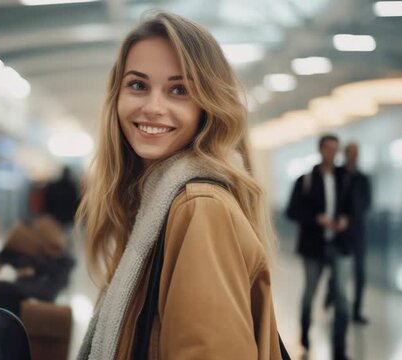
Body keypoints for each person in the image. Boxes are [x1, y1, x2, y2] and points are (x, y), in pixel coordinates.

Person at [76, 12, 283, 360]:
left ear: (208, 105)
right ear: (117, 96)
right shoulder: (150, 204)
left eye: (179, 90)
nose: (153, 107)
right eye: (138, 85)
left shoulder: (200, 207)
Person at [286, 134, 352, 360]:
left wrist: (344, 219)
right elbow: (292, 211)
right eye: (328, 148)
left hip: (339, 245)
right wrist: (317, 218)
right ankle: (304, 337)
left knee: (342, 297)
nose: (332, 153)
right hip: (313, 245)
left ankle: (340, 348)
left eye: (336, 148)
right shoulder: (306, 180)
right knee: (310, 293)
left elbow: (353, 207)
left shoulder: (345, 178)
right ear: (320, 149)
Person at [343, 143, 372, 324]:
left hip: (358, 232)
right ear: (346, 155)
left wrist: (351, 217)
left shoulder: (362, 179)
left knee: (360, 274)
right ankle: (334, 297)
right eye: (352, 153)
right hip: (339, 233)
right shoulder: (339, 175)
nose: (355, 156)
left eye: (357, 153)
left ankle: (356, 311)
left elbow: (367, 203)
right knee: (339, 273)